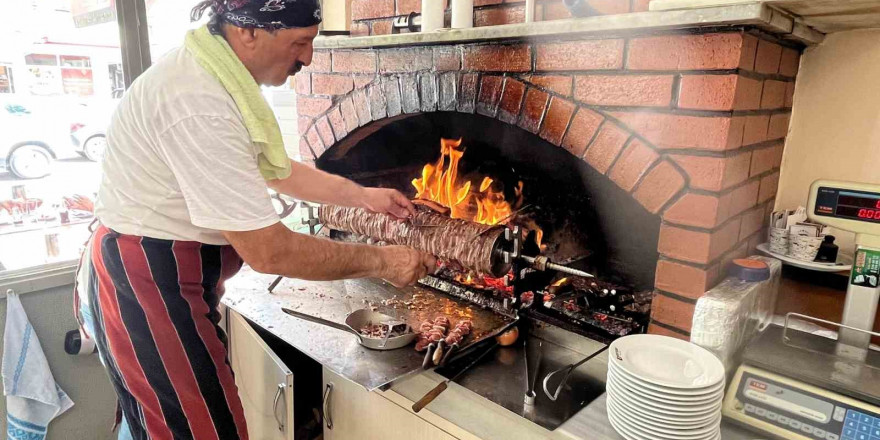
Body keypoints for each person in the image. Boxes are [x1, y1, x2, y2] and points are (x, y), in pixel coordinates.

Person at [76, 1, 436, 439]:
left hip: (172, 274)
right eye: (299, 43)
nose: (307, 58)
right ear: (248, 32)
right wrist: (384, 262)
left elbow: (275, 168)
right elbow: (270, 250)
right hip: (148, 283)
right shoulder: (199, 101)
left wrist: (361, 196)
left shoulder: (219, 76)